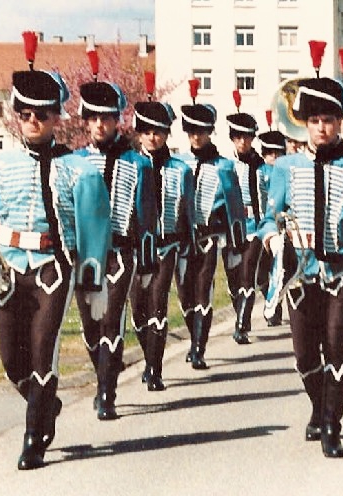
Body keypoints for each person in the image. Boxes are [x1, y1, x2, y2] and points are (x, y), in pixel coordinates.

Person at [0, 34, 110, 469]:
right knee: (13, 359)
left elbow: (93, 230)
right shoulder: (0, 165)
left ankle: (35, 436)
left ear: (56, 117)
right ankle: (43, 402)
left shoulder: (79, 170)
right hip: (11, 270)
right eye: (24, 113)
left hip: (53, 269)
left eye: (41, 114)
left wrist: (94, 282)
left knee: (43, 348)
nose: (32, 120)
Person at [258, 74, 343, 458]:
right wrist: (274, 239)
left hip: (341, 272)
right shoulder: (285, 168)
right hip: (299, 272)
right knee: (304, 355)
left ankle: (332, 424)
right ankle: (318, 405)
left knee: (336, 348)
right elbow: (268, 218)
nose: (322, 128)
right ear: (305, 124)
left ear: (338, 121)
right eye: (315, 121)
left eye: (329, 120)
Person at [72, 64, 156, 421]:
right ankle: (103, 373)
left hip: (121, 252)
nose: (101, 125)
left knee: (110, 319)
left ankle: (108, 392)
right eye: (94, 118)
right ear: (86, 122)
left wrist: (148, 259)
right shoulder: (73, 162)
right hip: (84, 257)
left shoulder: (138, 163)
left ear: (117, 120)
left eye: (107, 118)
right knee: (90, 326)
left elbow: (147, 215)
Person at [130, 72, 197, 392]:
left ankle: (154, 369)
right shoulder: (129, 166)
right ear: (139, 134)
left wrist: (188, 245)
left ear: (167, 134)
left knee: (157, 303)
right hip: (134, 250)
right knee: (137, 311)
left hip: (167, 245)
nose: (152, 138)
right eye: (146, 132)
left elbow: (188, 212)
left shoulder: (180, 169)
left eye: (158, 132)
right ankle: (148, 357)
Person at [175, 81, 246, 370]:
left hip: (209, 237)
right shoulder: (177, 163)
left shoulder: (224, 166)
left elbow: (235, 207)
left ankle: (198, 347)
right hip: (181, 240)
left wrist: (235, 244)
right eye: (191, 130)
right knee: (184, 295)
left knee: (203, 289)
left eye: (201, 131)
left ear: (209, 132)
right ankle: (193, 336)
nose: (195, 136)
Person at [224, 96, 273, 345]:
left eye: (247, 137)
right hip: (232, 229)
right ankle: (240, 311)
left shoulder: (263, 168)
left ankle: (242, 325)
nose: (242, 142)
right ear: (232, 138)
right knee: (234, 280)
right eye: (238, 137)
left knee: (247, 274)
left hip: (256, 226)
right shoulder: (226, 165)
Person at [257, 127, 289, 326]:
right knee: (261, 273)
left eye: (277, 153)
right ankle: (273, 300)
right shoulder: (259, 172)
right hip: (259, 228)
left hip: (281, 228)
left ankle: (276, 307)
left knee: (280, 268)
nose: (273, 157)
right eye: (269, 153)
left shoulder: (285, 172)